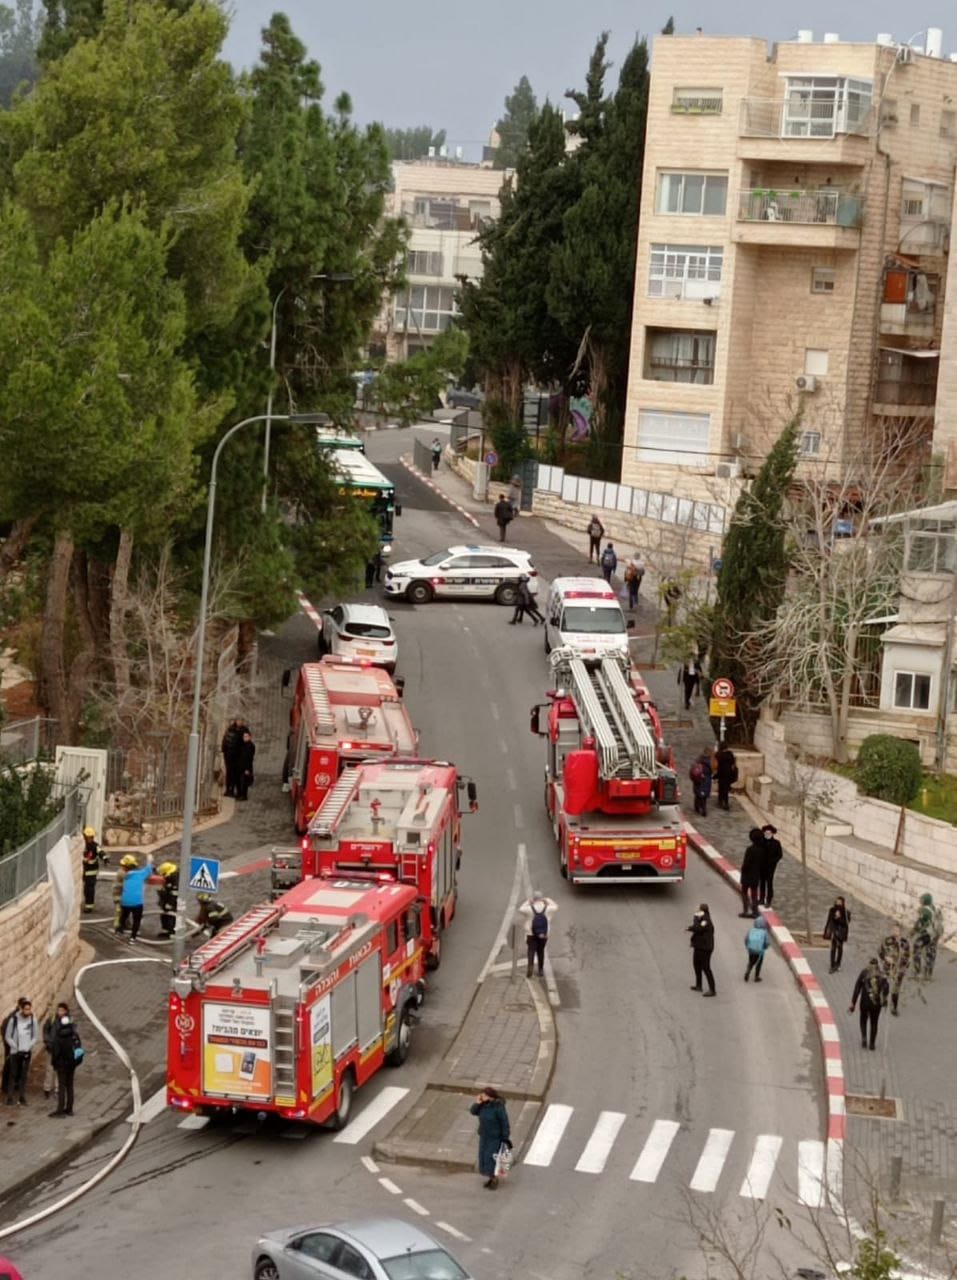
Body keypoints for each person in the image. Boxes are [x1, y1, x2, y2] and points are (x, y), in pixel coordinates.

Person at [469, 1087, 511, 1189]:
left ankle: (494, 1179)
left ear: (490, 1097)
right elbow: (473, 1111)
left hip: (495, 1138)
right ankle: (490, 1177)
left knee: (492, 1159)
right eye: (481, 1095)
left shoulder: (498, 1108)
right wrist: (478, 1103)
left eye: (484, 1095)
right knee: (483, 1157)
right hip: (484, 1136)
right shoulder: (482, 1105)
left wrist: (505, 1137)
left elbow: (504, 1123)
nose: (482, 1097)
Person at [49, 1003, 81, 1117]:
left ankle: (60, 1111)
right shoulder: (74, 1034)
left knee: (62, 1087)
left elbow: (56, 1052)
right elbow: (78, 1048)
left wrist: (54, 1063)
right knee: (70, 1086)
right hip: (71, 1063)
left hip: (61, 1065)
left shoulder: (59, 1037)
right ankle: (70, 1109)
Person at [849, 958, 889, 1051]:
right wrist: (884, 1001)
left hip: (864, 1002)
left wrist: (853, 1003)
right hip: (876, 1004)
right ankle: (872, 1044)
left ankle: (864, 1037)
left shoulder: (864, 973)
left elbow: (857, 988)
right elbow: (886, 989)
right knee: (874, 1023)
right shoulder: (882, 975)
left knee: (863, 1019)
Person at [3, 997, 37, 1105]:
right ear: (21, 1009)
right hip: (15, 1052)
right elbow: (8, 1036)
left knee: (23, 1074)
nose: (28, 1011)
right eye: (26, 1009)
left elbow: (35, 1036)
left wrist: (28, 1046)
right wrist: (15, 1047)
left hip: (26, 1051)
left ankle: (22, 1096)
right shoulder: (14, 1020)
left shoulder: (33, 1020)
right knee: (13, 1074)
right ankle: (10, 1097)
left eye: (29, 1009)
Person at [114, 853, 153, 942]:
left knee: (123, 917)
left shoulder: (125, 876)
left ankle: (119, 931)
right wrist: (149, 860)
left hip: (125, 902)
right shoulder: (141, 874)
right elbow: (149, 870)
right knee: (136, 920)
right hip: (137, 902)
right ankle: (133, 937)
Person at [519, 893, 556, 978]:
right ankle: (540, 970)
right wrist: (547, 900)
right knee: (540, 951)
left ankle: (530, 966)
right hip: (543, 934)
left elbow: (521, 909)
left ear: (534, 899)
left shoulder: (529, 909)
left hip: (530, 933)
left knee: (531, 950)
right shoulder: (548, 908)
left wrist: (528, 902)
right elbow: (556, 906)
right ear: (541, 899)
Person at [879, 924, 911, 1017]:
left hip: (899, 970)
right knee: (885, 984)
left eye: (897, 930)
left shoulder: (905, 943)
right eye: (893, 930)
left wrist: (903, 968)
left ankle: (894, 1008)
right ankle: (884, 1000)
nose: (895, 932)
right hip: (887, 968)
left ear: (901, 932)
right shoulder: (887, 940)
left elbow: (908, 958)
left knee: (895, 990)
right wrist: (886, 958)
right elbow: (880, 952)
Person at [911, 892, 943, 979]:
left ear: (925, 901)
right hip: (936, 934)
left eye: (921, 900)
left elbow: (919, 923)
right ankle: (928, 974)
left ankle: (918, 972)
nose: (920, 901)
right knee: (931, 953)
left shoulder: (924, 911)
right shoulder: (935, 908)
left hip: (928, 935)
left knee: (916, 948)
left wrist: (912, 932)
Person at [688, 903, 716, 996]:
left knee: (706, 967)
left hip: (705, 948)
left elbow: (698, 928)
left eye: (699, 909)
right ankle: (698, 985)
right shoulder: (701, 918)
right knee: (696, 964)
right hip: (699, 946)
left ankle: (712, 989)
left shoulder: (706, 920)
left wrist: (692, 924)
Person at [739, 829, 764, 918]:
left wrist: (743, 869)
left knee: (744, 892)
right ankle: (755, 911)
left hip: (747, 874)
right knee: (754, 893)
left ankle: (745, 911)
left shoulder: (750, 849)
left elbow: (746, 863)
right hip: (756, 875)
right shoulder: (762, 850)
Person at [823, 896, 851, 973]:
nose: (837, 903)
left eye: (839, 902)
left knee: (840, 948)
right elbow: (829, 920)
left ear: (842, 903)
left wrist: (838, 917)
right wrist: (826, 931)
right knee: (833, 948)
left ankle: (838, 964)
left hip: (841, 933)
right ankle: (832, 964)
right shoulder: (832, 910)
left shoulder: (846, 912)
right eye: (836, 901)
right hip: (834, 932)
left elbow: (846, 923)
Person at [758, 824, 783, 907]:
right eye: (766, 833)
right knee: (762, 883)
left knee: (769, 883)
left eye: (769, 833)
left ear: (772, 834)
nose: (767, 835)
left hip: (770, 867)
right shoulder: (761, 842)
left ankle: (768, 900)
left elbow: (779, 855)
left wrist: (773, 862)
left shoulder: (776, 843)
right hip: (761, 866)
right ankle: (761, 899)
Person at [221, 718, 243, 798]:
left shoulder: (228, 731)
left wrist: (224, 752)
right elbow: (240, 746)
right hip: (234, 757)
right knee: (235, 774)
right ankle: (233, 790)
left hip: (227, 756)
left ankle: (228, 790)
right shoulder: (238, 734)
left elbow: (223, 744)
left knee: (229, 773)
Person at [81, 826, 102, 913]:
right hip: (85, 871)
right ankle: (88, 904)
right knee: (86, 890)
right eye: (88, 837)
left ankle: (89, 906)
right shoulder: (84, 845)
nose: (90, 839)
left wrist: (105, 859)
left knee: (89, 889)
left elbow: (101, 852)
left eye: (91, 837)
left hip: (92, 871)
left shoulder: (95, 846)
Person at [156, 861, 179, 938]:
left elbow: (174, 893)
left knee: (171, 916)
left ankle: (172, 931)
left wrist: (170, 903)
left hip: (172, 902)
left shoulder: (175, 879)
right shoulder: (170, 875)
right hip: (166, 899)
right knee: (164, 915)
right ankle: (166, 930)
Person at [744, 915, 770, 982]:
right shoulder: (764, 932)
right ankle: (756, 977)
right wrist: (765, 947)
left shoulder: (751, 930)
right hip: (759, 951)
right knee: (759, 963)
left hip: (751, 950)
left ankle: (748, 970)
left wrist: (747, 946)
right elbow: (767, 942)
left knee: (751, 961)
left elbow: (746, 939)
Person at [713, 744, 737, 811]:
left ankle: (720, 801)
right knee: (726, 789)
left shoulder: (718, 755)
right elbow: (733, 763)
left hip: (721, 773)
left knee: (721, 787)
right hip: (729, 774)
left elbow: (715, 764)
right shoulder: (730, 754)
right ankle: (726, 803)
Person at [688, 750, 712, 817]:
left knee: (698, 795)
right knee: (703, 798)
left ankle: (697, 807)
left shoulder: (697, 764)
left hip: (698, 782)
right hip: (706, 782)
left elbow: (692, 773)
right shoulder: (709, 765)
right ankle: (703, 809)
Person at [236, 730, 256, 801]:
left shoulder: (251, 746)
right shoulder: (243, 745)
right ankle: (240, 794)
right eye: (244, 736)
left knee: (245, 782)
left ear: (250, 737)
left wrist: (247, 769)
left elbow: (249, 758)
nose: (245, 738)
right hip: (241, 765)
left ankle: (244, 796)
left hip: (246, 766)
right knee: (240, 781)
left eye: (246, 736)